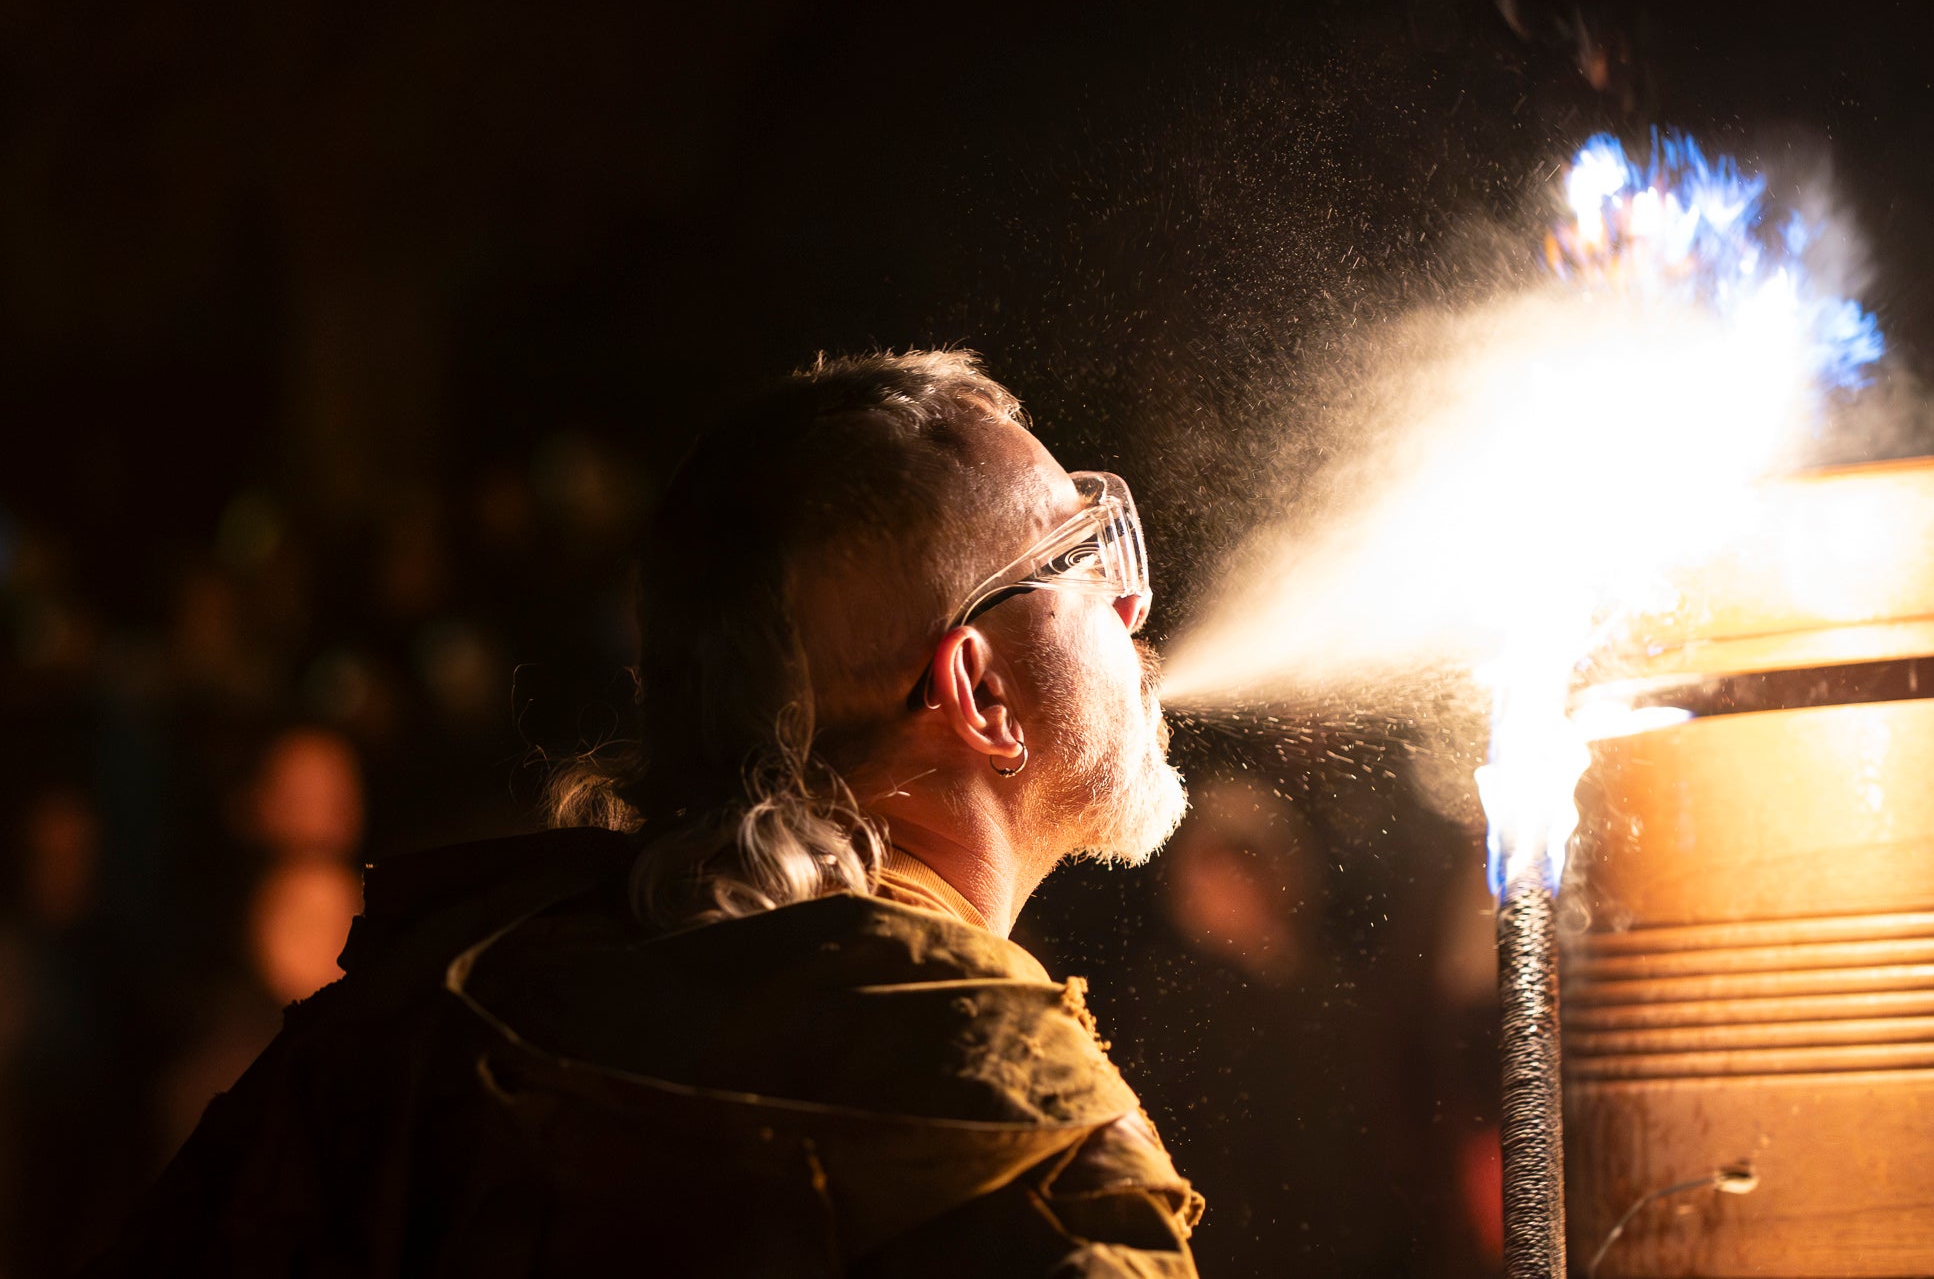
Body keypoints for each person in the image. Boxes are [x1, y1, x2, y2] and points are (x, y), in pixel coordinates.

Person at [89, 350, 1202, 1277]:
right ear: (978, 691)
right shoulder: (1010, 1107)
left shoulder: (437, 1008)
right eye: (1076, 554)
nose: (1132, 597)